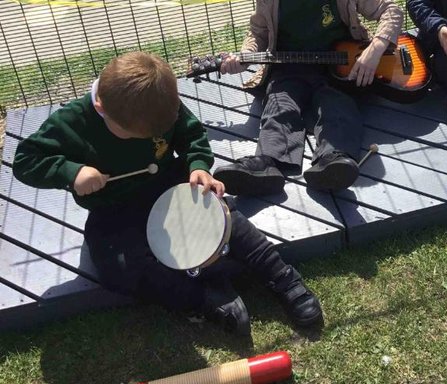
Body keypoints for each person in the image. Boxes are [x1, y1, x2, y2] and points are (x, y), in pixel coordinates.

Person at [13, 52, 322, 336]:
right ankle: (202, 297)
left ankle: (283, 278)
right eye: (137, 136)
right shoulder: (72, 121)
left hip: (168, 183)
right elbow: (26, 161)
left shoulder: (159, 101)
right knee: (115, 268)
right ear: (100, 109)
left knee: (230, 221)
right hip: (112, 207)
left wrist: (198, 166)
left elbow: (191, 136)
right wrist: (72, 173)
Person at [212, 0, 404, 196]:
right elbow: (258, 32)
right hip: (288, 66)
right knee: (280, 106)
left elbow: (392, 10)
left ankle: (332, 160)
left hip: (338, 68)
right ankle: (267, 163)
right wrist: (246, 56)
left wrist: (376, 47)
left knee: (336, 104)